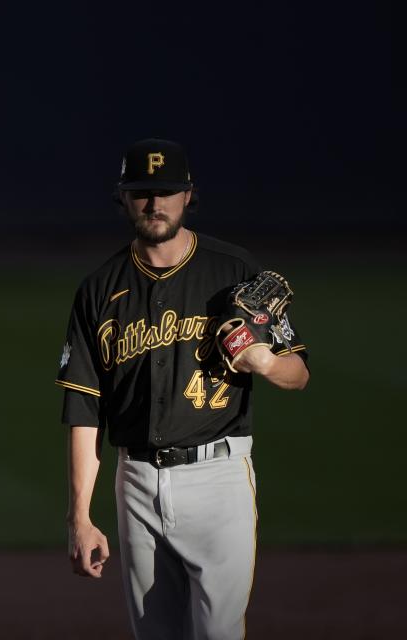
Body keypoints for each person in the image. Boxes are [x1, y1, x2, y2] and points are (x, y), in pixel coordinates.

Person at [56, 138, 309, 639]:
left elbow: (298, 372)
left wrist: (262, 360)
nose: (155, 203)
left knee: (218, 632)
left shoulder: (233, 270)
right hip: (135, 480)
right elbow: (85, 410)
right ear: (123, 198)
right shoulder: (98, 289)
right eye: (142, 191)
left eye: (168, 190)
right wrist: (79, 518)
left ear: (189, 195)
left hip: (219, 478)